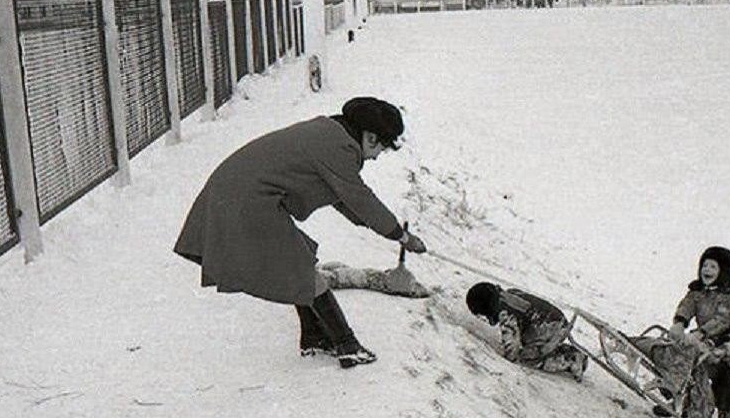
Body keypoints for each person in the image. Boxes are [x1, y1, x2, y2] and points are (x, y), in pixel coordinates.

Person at [173, 97, 427, 369]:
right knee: (303, 270)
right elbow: (360, 199)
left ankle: (314, 336)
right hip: (245, 201)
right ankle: (347, 345)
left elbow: (345, 200)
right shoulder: (338, 148)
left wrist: (388, 230)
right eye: (383, 149)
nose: (377, 157)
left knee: (299, 264)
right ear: (372, 137)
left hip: (241, 194)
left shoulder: (331, 134)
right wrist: (401, 237)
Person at [631, 245, 730, 417]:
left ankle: (677, 392)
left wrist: (702, 332)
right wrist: (680, 322)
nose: (707, 270)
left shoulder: (729, 296)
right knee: (675, 345)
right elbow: (687, 305)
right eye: (705, 265)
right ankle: (641, 346)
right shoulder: (698, 290)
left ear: (723, 271)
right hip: (699, 337)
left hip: (719, 343)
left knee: (690, 354)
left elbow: (722, 320)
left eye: (713, 267)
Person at [465, 282, 588, 381]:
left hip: (548, 328)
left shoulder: (505, 313)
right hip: (554, 320)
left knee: (529, 357)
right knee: (537, 346)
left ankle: (571, 360)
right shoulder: (509, 294)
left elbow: (512, 347)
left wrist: (508, 355)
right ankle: (562, 350)